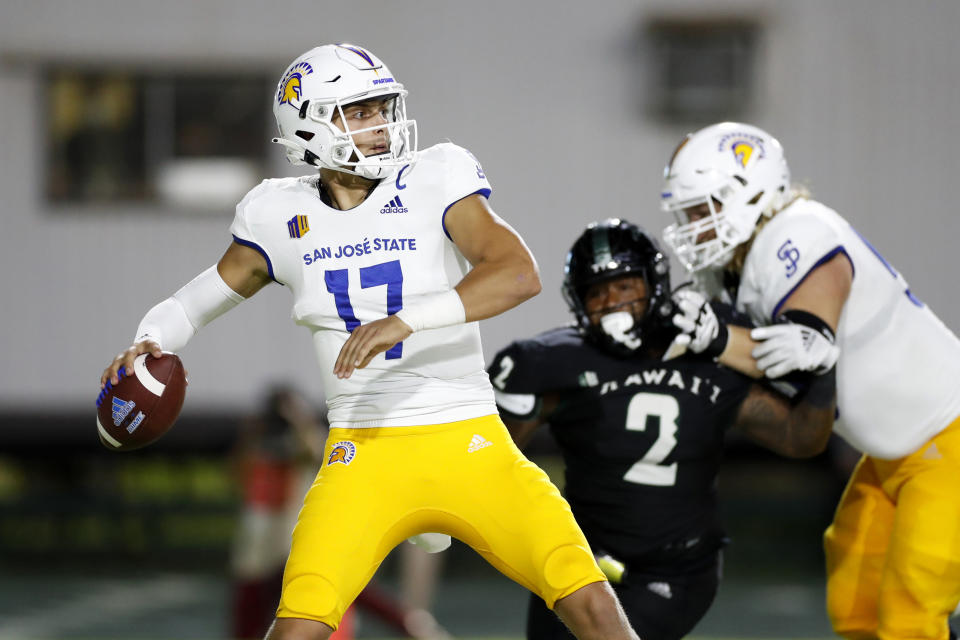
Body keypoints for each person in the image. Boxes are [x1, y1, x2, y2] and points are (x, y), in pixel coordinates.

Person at [100, 43, 641, 640]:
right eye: (358, 112)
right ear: (309, 124)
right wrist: (149, 339)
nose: (379, 124)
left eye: (382, 107)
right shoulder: (277, 215)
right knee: (298, 627)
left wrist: (411, 319)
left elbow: (517, 272)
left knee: (590, 602)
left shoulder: (437, 176)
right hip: (363, 453)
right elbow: (195, 302)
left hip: (470, 440)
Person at [660, 121, 960, 640]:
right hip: (897, 454)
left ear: (745, 195)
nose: (691, 226)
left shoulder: (795, 233)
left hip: (948, 441)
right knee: (855, 605)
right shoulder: (746, 259)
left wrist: (716, 338)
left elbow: (806, 342)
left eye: (700, 210)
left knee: (910, 609)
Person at [488, 219, 836, 640]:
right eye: (596, 293)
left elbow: (800, 438)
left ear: (654, 284)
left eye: (624, 286)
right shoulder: (554, 363)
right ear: (578, 304)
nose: (612, 303)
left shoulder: (707, 350)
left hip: (677, 569)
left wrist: (823, 367)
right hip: (584, 559)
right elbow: (493, 460)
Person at [230, 386, 327, 640]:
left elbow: (317, 453)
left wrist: (301, 422)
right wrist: (251, 436)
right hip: (261, 540)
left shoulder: (305, 442)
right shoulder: (257, 444)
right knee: (250, 613)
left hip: (291, 540)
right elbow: (238, 475)